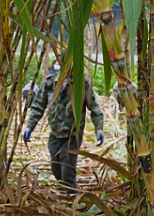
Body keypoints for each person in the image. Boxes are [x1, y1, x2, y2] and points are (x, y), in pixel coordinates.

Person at [22, 59, 104, 194]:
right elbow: (38, 106)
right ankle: (64, 193)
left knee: (67, 170)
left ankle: (73, 197)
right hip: (55, 132)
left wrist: (99, 128)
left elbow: (94, 108)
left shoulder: (83, 84)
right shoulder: (50, 83)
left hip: (72, 134)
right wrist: (30, 126)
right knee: (56, 167)